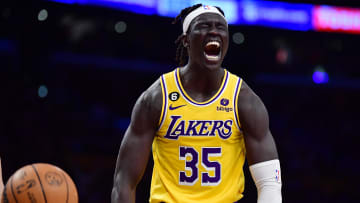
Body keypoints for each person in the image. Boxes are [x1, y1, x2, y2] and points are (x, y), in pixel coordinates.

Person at [112, 4, 282, 203]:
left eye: (221, 27)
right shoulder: (157, 97)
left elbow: (269, 182)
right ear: (186, 40)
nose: (213, 31)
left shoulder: (244, 100)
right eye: (203, 26)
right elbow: (124, 181)